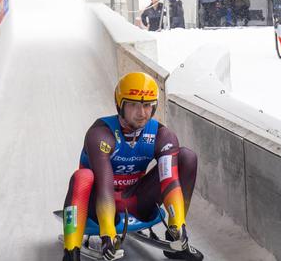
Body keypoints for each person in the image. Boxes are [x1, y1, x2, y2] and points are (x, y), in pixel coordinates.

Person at [62, 72, 200, 261]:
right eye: (133, 105)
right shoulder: (101, 133)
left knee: (187, 157)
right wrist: (108, 233)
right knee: (83, 176)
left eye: (146, 105)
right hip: (99, 203)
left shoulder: (162, 135)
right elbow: (104, 185)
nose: (141, 113)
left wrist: (178, 221)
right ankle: (71, 252)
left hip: (135, 200)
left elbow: (169, 180)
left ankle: (175, 240)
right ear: (120, 104)